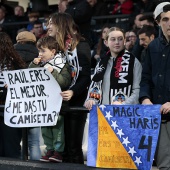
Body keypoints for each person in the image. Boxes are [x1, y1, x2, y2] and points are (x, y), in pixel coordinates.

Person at [47, 12, 91, 164]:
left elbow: (85, 76)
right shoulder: (51, 48)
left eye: (51, 23)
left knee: (73, 149)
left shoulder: (81, 45)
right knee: (59, 151)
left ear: (60, 25)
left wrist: (73, 91)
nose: (48, 26)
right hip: (56, 104)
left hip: (75, 103)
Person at [29, 36, 71, 163]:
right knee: (46, 129)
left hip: (57, 105)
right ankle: (49, 150)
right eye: (39, 51)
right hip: (44, 104)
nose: (40, 54)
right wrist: (33, 65)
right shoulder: (39, 64)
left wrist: (52, 71)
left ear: (53, 51)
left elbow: (64, 82)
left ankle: (58, 152)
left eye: (43, 51)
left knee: (57, 128)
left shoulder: (62, 64)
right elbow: (30, 78)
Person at [139, 2, 170, 169]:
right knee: (165, 166)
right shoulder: (153, 47)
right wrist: (145, 98)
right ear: (158, 22)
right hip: (160, 118)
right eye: (165, 19)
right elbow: (145, 78)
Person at [84, 27, 142, 110]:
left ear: (125, 41)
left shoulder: (133, 62)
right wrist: (91, 99)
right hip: (103, 114)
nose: (117, 42)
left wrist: (124, 104)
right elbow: (95, 86)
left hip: (124, 113)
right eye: (113, 39)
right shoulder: (101, 62)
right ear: (106, 42)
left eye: (120, 39)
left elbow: (137, 90)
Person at [14, 31, 41, 160]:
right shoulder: (40, 55)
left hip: (16, 104)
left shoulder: (11, 55)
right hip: (34, 104)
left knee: (15, 142)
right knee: (34, 142)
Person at [0, 32, 26, 158]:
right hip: (6, 109)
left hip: (11, 111)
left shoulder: (15, 63)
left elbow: (26, 85)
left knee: (11, 149)